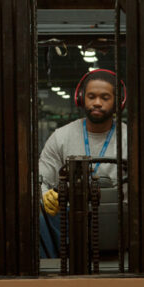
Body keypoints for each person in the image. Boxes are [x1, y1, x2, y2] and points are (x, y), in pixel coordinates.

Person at [39, 69, 128, 258]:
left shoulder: (132, 138)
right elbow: (40, 179)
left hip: (120, 216)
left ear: (118, 102)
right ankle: (50, 278)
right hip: (70, 219)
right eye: (91, 96)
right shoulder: (61, 137)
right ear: (81, 99)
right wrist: (44, 194)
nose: (97, 103)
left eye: (105, 97)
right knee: (36, 218)